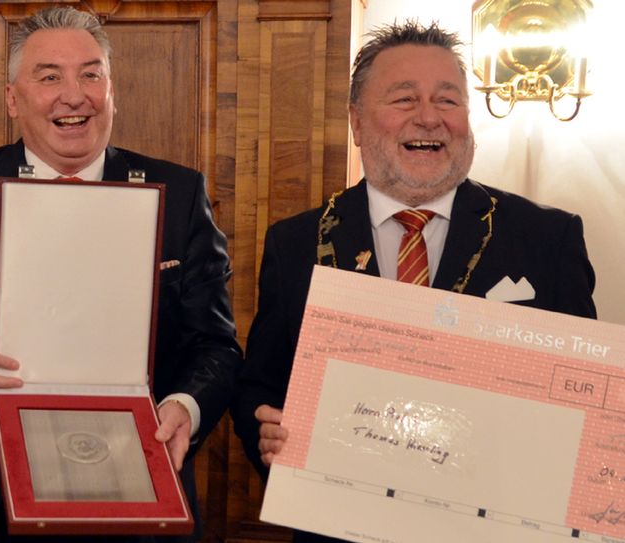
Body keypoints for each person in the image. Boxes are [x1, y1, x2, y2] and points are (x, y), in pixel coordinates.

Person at [0, 6, 240, 542]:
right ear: (14, 99)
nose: (74, 94)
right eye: (49, 76)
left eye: (91, 74)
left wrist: (185, 407)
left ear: (112, 91)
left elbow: (217, 346)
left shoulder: (177, 195)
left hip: (135, 489)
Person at [232, 21, 596, 542]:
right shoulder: (297, 243)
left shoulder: (547, 237)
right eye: (404, 99)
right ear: (357, 122)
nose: (429, 117)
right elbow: (260, 386)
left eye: (448, 100)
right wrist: (266, 434)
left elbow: (584, 399)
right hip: (338, 526)